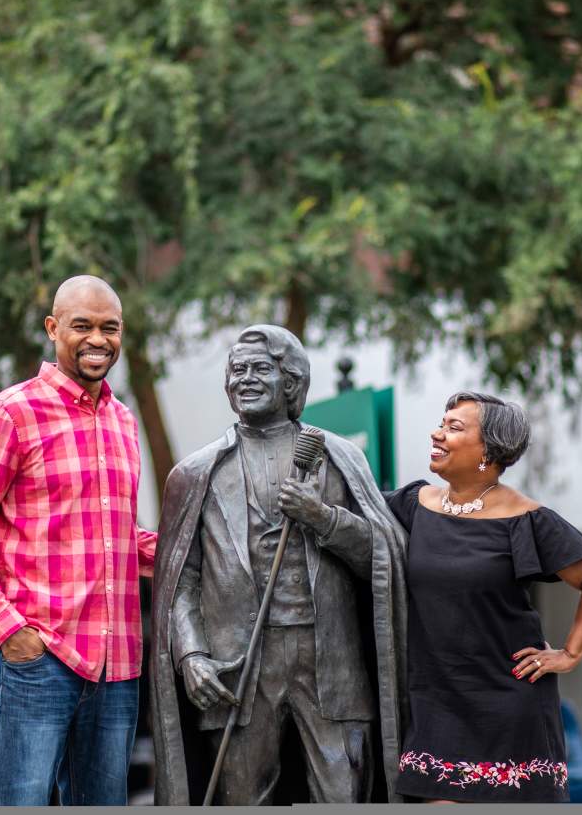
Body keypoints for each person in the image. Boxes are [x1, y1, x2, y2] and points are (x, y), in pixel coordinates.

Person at [150, 325, 409, 805]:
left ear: (290, 382)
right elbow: (180, 583)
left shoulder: (339, 458)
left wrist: (324, 518)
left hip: (330, 663)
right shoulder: (194, 474)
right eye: (237, 370)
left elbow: (384, 555)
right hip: (239, 667)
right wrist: (191, 656)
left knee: (345, 794)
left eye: (261, 369)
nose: (245, 379)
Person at [385, 390, 582, 804]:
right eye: (442, 423)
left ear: (488, 452)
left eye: (454, 428)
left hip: (510, 708)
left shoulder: (526, 519)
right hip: (435, 704)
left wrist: (569, 654)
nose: (437, 434)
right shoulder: (412, 504)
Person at [0, 275, 157, 806]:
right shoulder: (10, 414)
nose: (97, 339)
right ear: (53, 328)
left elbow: (117, 536)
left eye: (110, 328)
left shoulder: (123, 423)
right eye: (82, 326)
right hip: (39, 660)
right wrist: (9, 631)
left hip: (117, 667)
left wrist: (205, 546)